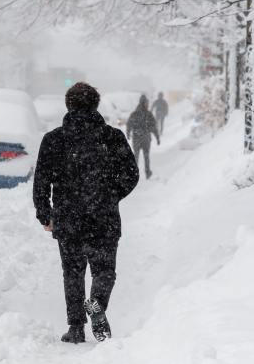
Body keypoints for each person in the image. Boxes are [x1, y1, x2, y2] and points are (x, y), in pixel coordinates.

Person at [32, 82, 139, 344]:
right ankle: (97, 303)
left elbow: (42, 180)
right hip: (104, 218)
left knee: (73, 271)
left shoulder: (54, 139)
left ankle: (76, 327)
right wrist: (111, 195)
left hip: (68, 217)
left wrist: (45, 213)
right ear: (96, 105)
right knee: (104, 271)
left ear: (68, 106)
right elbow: (131, 174)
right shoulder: (112, 137)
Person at [127, 95, 160, 180]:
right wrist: (157, 137)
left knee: (135, 158)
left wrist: (128, 133)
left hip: (136, 139)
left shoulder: (134, 114)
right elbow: (153, 127)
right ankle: (148, 172)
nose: (148, 104)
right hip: (145, 139)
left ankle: (133, 173)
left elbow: (129, 124)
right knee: (146, 157)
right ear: (144, 103)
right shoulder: (148, 114)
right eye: (147, 102)